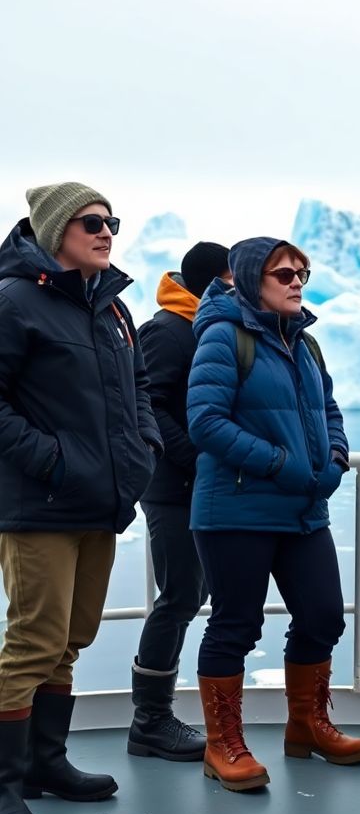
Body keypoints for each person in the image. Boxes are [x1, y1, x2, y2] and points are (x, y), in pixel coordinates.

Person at [0, 183, 161, 814]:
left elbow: (140, 387)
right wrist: (55, 460)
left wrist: (143, 449)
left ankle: (45, 763)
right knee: (34, 639)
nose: (106, 232)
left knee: (71, 637)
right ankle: (4, 782)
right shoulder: (15, 302)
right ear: (56, 228)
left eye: (111, 222)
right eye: (92, 222)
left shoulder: (113, 309)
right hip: (40, 502)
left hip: (100, 500)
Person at [187, 236, 360, 792]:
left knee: (323, 617)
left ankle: (307, 726)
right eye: (282, 273)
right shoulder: (224, 337)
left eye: (302, 274)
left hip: (303, 508)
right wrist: (281, 463)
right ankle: (224, 745)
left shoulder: (306, 344)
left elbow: (330, 409)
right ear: (249, 280)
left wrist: (335, 456)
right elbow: (205, 421)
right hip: (236, 508)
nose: (296, 282)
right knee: (235, 624)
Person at [128, 243, 233, 761]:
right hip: (173, 490)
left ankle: (157, 717)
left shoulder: (206, 328)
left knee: (194, 595)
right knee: (179, 597)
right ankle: (150, 721)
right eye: (233, 279)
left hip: (199, 486)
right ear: (214, 281)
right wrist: (198, 454)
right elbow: (143, 404)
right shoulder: (167, 330)